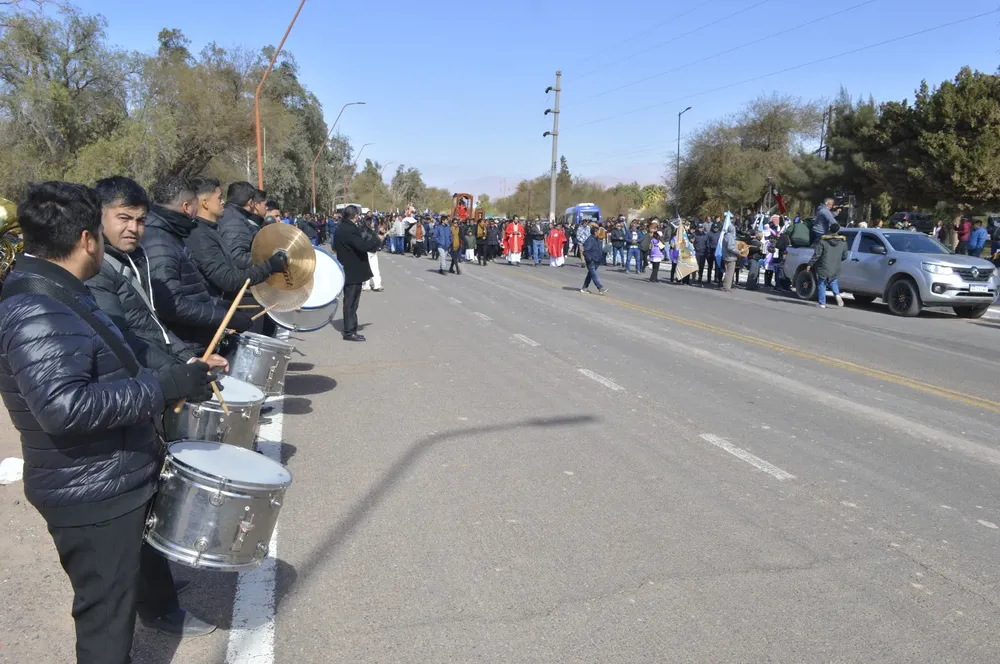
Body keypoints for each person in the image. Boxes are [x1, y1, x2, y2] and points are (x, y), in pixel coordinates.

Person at [0, 182, 218, 664]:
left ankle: (147, 612)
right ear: (86, 239)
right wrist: (164, 388)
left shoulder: (57, 291)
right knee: (105, 623)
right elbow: (64, 407)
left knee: (120, 593)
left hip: (104, 477)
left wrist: (171, 375)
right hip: (90, 491)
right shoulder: (38, 307)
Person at [87, 176, 229, 374]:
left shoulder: (136, 257)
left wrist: (189, 360)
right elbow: (122, 339)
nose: (134, 229)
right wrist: (178, 373)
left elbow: (152, 325)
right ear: (99, 216)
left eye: (140, 220)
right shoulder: (95, 269)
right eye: (124, 218)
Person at [142, 176, 253, 347]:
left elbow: (189, 291)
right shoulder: (160, 242)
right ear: (186, 207)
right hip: (184, 344)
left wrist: (220, 305)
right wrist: (224, 316)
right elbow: (172, 305)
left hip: (193, 339)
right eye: (195, 205)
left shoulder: (171, 234)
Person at [186, 176, 287, 301]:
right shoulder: (201, 234)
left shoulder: (210, 228)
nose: (222, 202)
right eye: (219, 198)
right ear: (205, 203)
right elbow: (228, 277)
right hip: (216, 305)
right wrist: (268, 265)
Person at [333, 205, 383, 341]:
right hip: (353, 270)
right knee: (351, 302)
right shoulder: (350, 230)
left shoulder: (340, 228)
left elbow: (335, 246)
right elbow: (362, 246)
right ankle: (349, 331)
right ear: (355, 215)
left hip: (348, 268)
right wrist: (376, 240)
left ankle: (350, 328)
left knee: (351, 301)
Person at [218, 182, 266, 269]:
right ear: (251, 202)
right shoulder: (235, 221)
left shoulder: (227, 214)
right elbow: (237, 259)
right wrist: (266, 258)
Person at [807, 222, 850, 308]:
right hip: (835, 265)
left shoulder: (823, 241)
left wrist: (810, 263)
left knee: (822, 283)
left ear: (830, 230)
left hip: (823, 265)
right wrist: (837, 260)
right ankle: (837, 295)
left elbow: (817, 254)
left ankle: (822, 303)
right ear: (838, 230)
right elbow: (845, 256)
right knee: (833, 281)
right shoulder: (843, 242)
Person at [580, 225, 609, 294]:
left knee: (590, 275)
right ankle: (600, 288)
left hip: (597, 260)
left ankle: (584, 287)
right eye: (598, 231)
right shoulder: (590, 240)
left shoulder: (597, 239)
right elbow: (586, 251)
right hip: (591, 261)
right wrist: (589, 259)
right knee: (594, 275)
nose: (599, 232)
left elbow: (599, 249)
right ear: (594, 232)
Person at [721, 222, 739, 292]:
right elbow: (730, 247)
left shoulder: (726, 236)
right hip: (730, 257)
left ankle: (726, 285)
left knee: (727, 272)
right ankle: (726, 287)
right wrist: (738, 252)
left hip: (726, 256)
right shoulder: (730, 237)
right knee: (729, 272)